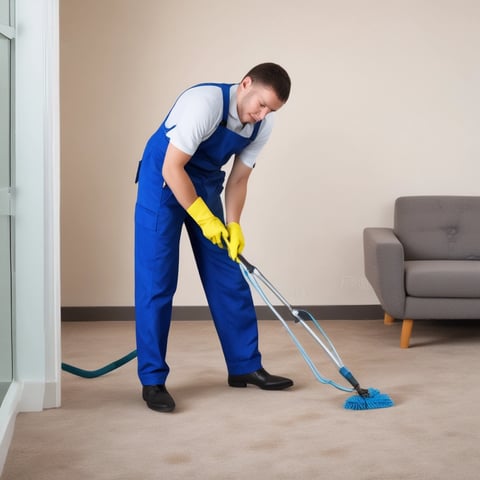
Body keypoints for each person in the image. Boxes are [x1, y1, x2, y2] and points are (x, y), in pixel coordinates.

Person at [134, 62, 293, 412]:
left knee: (228, 276)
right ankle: (153, 380)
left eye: (271, 110)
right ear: (246, 83)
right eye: (260, 104)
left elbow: (238, 180)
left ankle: (245, 366)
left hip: (204, 183)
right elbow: (173, 167)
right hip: (162, 181)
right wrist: (205, 219)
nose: (261, 114)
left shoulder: (262, 125)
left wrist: (233, 225)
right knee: (156, 281)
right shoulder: (204, 103)